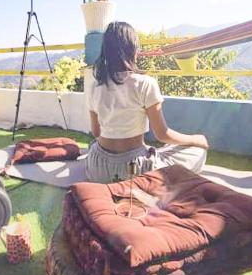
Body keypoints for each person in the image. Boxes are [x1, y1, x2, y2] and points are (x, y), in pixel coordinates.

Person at [85, 21, 209, 184]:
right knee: (197, 152)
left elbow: (96, 132)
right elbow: (162, 134)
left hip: (97, 167)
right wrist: (196, 140)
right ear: (133, 49)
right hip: (134, 169)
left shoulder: (94, 86)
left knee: (95, 146)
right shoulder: (145, 83)